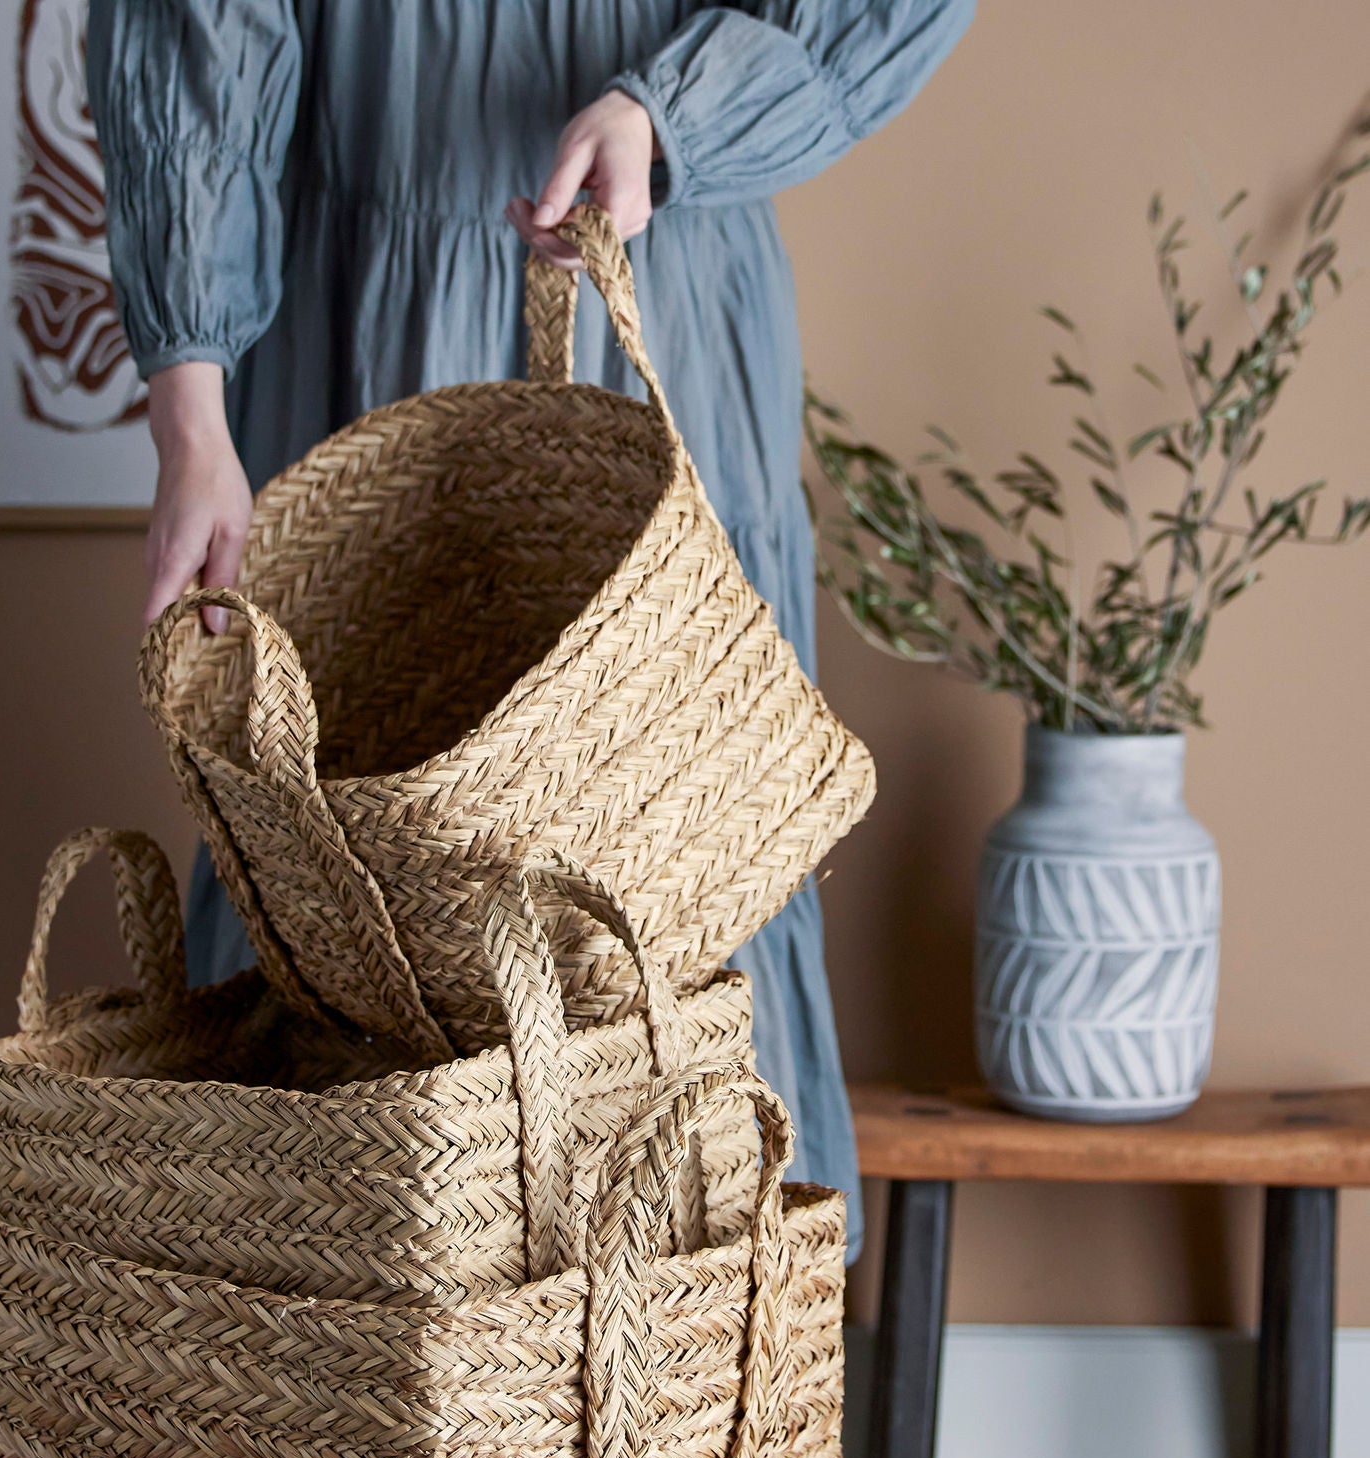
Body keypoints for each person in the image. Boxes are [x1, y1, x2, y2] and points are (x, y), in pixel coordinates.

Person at [87, 0, 975, 1265]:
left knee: (688, 856)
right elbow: (203, 31)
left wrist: (680, 115)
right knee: (345, 879)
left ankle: (699, 1410)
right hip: (363, 338)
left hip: (662, 303)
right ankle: (330, 1420)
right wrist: (191, 408)